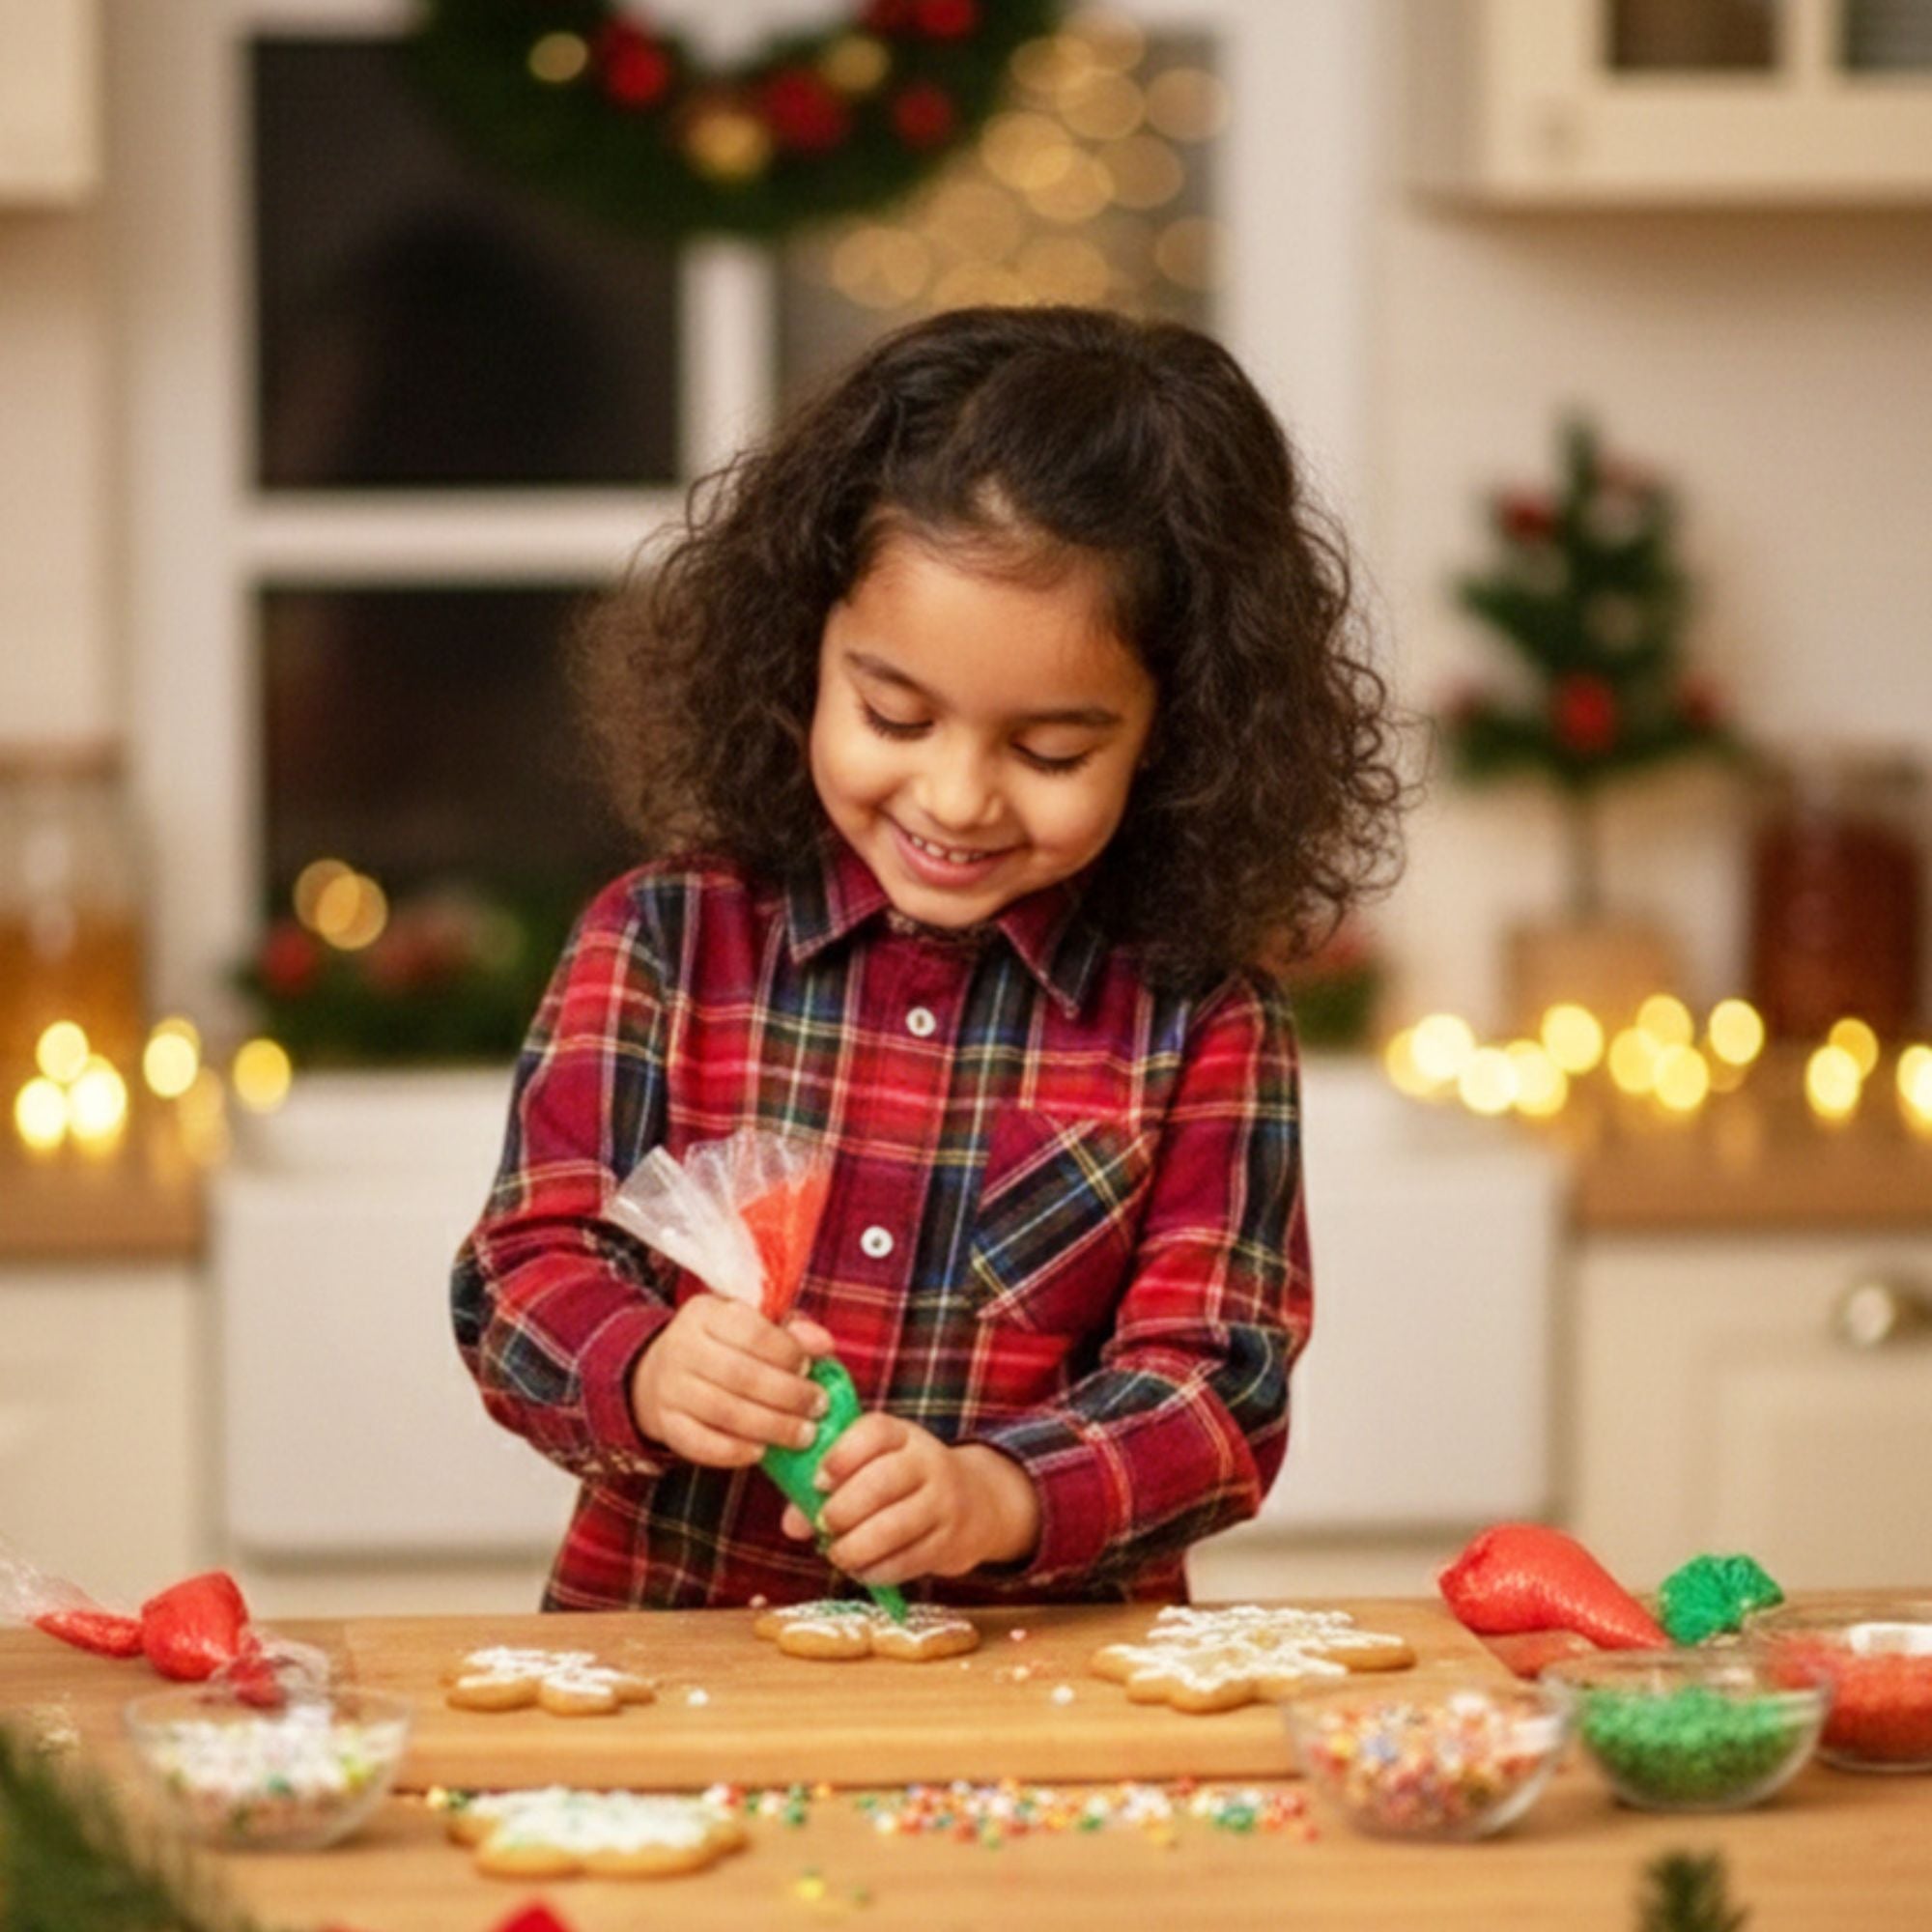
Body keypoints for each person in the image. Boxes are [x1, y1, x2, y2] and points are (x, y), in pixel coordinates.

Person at [452, 304, 1405, 1611]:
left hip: (1040, 1713)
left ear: (1180, 742)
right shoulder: (662, 942)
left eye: (1051, 752)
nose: (956, 799)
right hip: (667, 1674)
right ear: (799, 653)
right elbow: (518, 1277)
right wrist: (646, 1366)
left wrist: (1002, 1498)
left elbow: (1216, 1392)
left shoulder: (1202, 1024)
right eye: (893, 714)